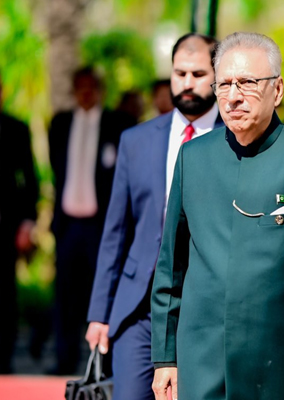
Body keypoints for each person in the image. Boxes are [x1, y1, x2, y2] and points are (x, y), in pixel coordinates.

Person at [150, 32, 284, 400]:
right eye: (224, 84)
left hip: (280, 366)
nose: (233, 96)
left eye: (247, 82)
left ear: (277, 91)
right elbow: (171, 266)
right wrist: (165, 357)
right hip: (200, 362)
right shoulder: (193, 158)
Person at [84, 33, 220, 400]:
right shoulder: (136, 140)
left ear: (218, 75)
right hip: (136, 311)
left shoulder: (233, 140)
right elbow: (116, 231)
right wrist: (100, 311)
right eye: (179, 73)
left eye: (198, 73)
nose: (187, 83)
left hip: (203, 311)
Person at [48, 66, 136, 374]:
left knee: (102, 292)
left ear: (100, 90)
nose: (86, 92)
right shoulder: (59, 124)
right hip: (69, 223)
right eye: (80, 86)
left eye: (91, 87)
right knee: (65, 294)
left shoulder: (118, 124)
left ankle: (104, 362)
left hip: (103, 227)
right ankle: (63, 358)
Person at [0, 76, 39, 373]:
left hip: (5, 226)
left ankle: (4, 357)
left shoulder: (16, 128)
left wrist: (27, 223)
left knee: (5, 294)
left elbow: (29, 180)